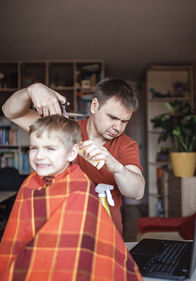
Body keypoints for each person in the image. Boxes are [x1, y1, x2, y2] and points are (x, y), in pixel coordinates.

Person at [0, 115, 149, 281]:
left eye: (50, 148)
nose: (39, 156)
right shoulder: (30, 184)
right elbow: (18, 237)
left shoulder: (79, 187)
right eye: (33, 148)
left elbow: (79, 246)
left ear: (72, 153)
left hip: (69, 269)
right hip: (32, 269)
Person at [2, 78, 145, 235]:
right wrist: (31, 90)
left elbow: (136, 192)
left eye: (124, 121)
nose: (118, 127)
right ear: (95, 105)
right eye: (112, 117)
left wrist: (115, 165)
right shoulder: (61, 131)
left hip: (108, 236)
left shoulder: (126, 145)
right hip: (63, 233)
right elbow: (10, 112)